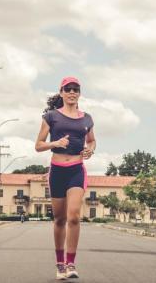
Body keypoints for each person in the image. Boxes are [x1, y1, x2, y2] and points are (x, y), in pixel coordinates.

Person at [35, 76, 96, 280]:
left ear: (79, 93)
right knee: (59, 219)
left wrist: (90, 150)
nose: (72, 92)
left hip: (77, 170)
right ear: (61, 92)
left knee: (74, 216)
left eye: (75, 89)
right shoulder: (51, 116)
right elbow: (38, 145)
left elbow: (92, 141)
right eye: (68, 89)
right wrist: (55, 143)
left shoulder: (86, 118)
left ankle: (71, 263)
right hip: (57, 171)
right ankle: (60, 264)